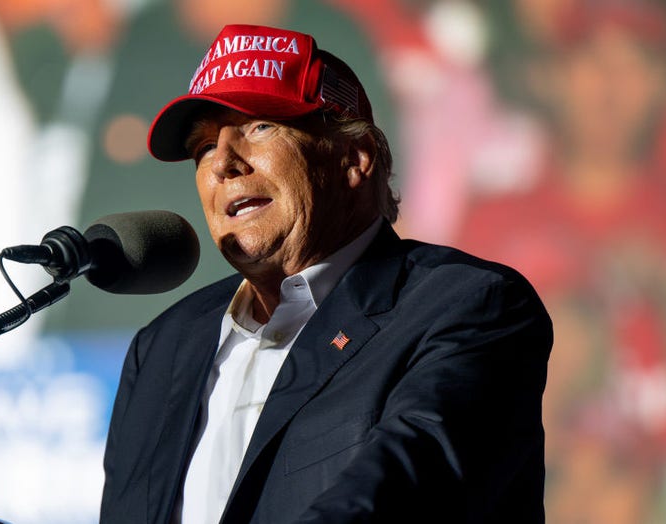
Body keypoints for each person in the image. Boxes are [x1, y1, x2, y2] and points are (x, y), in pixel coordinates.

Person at [98, 24, 552, 524]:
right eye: (204, 145)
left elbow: (400, 499)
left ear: (354, 158)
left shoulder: (468, 306)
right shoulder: (162, 347)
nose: (224, 162)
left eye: (260, 127)